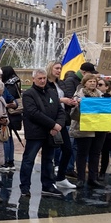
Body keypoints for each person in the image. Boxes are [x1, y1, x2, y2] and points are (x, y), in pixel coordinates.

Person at [19, 68, 66, 198]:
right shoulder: (29, 94)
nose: (42, 81)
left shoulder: (52, 92)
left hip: (51, 133)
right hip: (35, 133)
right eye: (39, 78)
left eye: (44, 78)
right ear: (33, 79)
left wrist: (58, 125)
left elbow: (60, 111)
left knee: (48, 160)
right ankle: (25, 187)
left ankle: (48, 185)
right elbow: (33, 113)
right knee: (29, 160)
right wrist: (53, 124)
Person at [70, 73, 107, 188]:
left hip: (99, 128)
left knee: (95, 153)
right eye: (90, 81)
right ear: (84, 83)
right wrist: (78, 105)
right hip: (84, 128)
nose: (92, 83)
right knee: (82, 153)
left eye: (94, 81)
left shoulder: (101, 95)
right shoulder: (79, 95)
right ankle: (81, 178)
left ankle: (93, 178)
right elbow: (73, 114)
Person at [46, 60, 75, 188]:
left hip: (61, 119)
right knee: (50, 152)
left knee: (67, 150)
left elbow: (67, 97)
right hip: (50, 120)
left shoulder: (60, 83)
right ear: (50, 68)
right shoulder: (45, 83)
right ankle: (49, 181)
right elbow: (45, 100)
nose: (59, 70)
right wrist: (61, 100)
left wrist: (71, 101)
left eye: (60, 68)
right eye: (56, 68)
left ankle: (61, 177)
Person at [0, 66, 23, 171]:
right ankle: (11, 160)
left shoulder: (9, 86)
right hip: (15, 115)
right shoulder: (16, 83)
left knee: (6, 137)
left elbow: (8, 99)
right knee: (9, 137)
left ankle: (6, 161)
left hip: (10, 114)